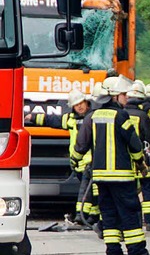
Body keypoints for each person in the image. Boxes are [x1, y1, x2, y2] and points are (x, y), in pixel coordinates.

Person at [71, 75, 150, 255]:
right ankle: (136, 251)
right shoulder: (121, 115)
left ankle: (113, 251)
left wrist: (74, 161)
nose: (126, 97)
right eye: (123, 94)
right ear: (113, 97)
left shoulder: (91, 117)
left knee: (108, 213)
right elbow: (134, 143)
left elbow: (81, 144)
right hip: (121, 176)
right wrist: (140, 163)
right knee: (130, 211)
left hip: (100, 177)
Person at [26, 89, 98, 224]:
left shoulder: (93, 118)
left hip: (90, 161)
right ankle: (92, 216)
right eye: (77, 105)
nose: (80, 106)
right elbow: (53, 120)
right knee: (92, 192)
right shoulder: (70, 119)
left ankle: (80, 215)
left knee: (86, 190)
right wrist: (33, 117)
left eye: (81, 103)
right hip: (78, 163)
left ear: (87, 103)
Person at [124, 83, 150, 231]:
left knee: (129, 190)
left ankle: (133, 220)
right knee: (148, 187)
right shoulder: (142, 115)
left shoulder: (121, 113)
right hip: (142, 160)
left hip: (125, 160)